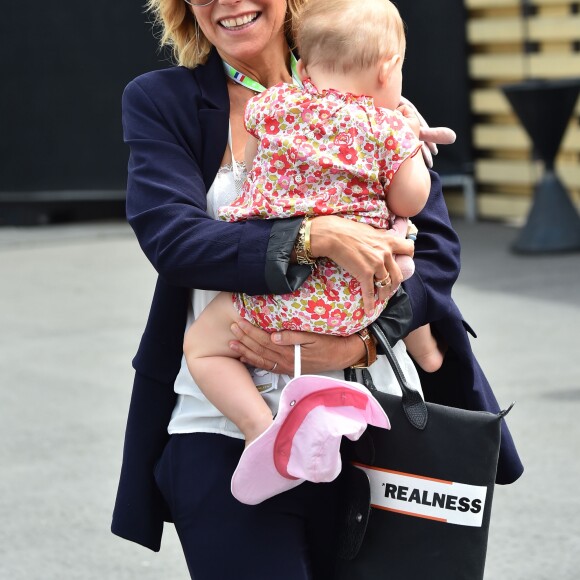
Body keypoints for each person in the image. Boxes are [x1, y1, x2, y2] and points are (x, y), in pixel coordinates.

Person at [111, 0, 524, 578]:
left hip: (376, 420)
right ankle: (269, 437)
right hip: (224, 427)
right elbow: (174, 240)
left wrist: (364, 343)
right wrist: (314, 235)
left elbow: (432, 254)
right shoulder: (163, 101)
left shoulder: (367, 87)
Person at [183, 0, 442, 453]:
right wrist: (407, 147)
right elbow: (411, 200)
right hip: (356, 297)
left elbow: (252, 151)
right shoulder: (390, 126)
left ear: (304, 69)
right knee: (402, 249)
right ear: (390, 68)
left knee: (201, 345)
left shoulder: (274, 106)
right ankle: (427, 350)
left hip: (273, 303)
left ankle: (262, 431)